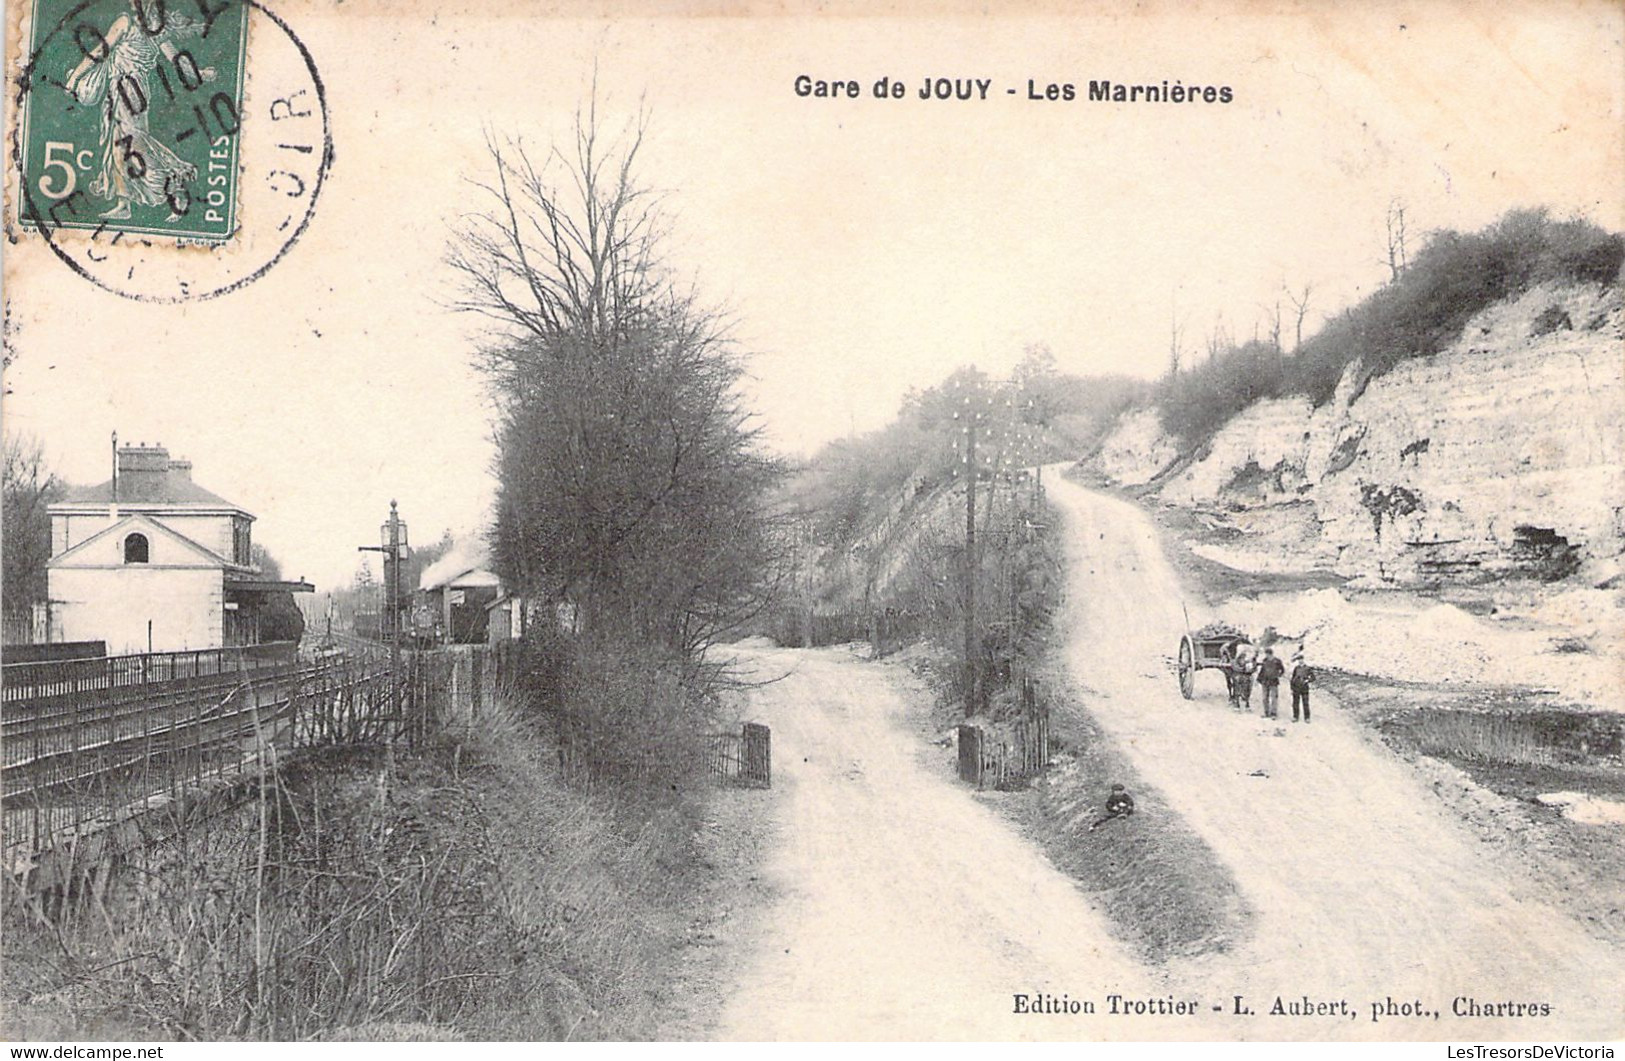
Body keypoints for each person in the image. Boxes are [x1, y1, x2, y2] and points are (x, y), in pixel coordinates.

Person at [1256, 646, 1285, 719]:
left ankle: (1273, 713)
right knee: (1265, 698)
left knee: (1274, 698)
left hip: (1273, 681)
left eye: (1268, 654)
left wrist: (1278, 675)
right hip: (1265, 681)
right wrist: (1259, 679)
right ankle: (1266, 712)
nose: (1267, 655)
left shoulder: (1277, 661)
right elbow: (1262, 671)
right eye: (1266, 654)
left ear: (1271, 654)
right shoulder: (1265, 661)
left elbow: (1282, 670)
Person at [1230, 643, 1256, 713]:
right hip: (1239, 675)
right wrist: (1243, 669)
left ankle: (1247, 704)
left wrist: (1250, 669)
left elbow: (1253, 668)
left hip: (1247, 676)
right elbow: (1235, 667)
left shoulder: (1250, 659)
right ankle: (1237, 705)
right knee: (1237, 689)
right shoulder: (1236, 660)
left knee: (1248, 690)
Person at [1290, 651, 1315, 723]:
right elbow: (1293, 678)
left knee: (1305, 703)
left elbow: (1313, 678)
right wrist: (1292, 687)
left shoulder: (1307, 668)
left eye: (1301, 659)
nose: (1300, 661)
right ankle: (1295, 716)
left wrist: (1307, 680)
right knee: (1295, 703)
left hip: (1304, 688)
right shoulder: (1296, 668)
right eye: (1299, 660)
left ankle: (1307, 718)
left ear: (1304, 660)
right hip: (1296, 687)